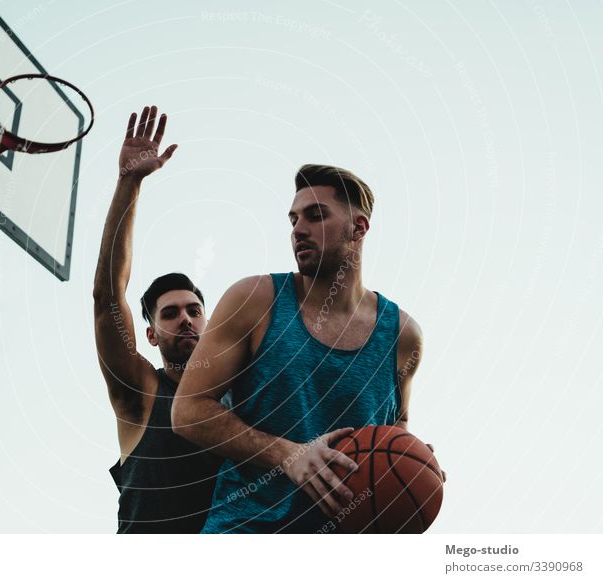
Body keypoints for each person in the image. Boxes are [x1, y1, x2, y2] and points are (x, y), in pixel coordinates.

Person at [172, 164, 431, 533]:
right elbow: (187, 412)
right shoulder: (254, 299)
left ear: (358, 228)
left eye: (316, 215)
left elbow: (395, 423)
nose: (298, 230)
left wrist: (410, 456)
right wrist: (288, 455)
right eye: (293, 219)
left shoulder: (403, 335)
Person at [93, 106, 219, 533]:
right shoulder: (142, 394)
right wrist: (130, 181)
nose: (185, 319)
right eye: (170, 313)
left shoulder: (240, 402)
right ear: (150, 334)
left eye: (194, 310)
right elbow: (107, 296)